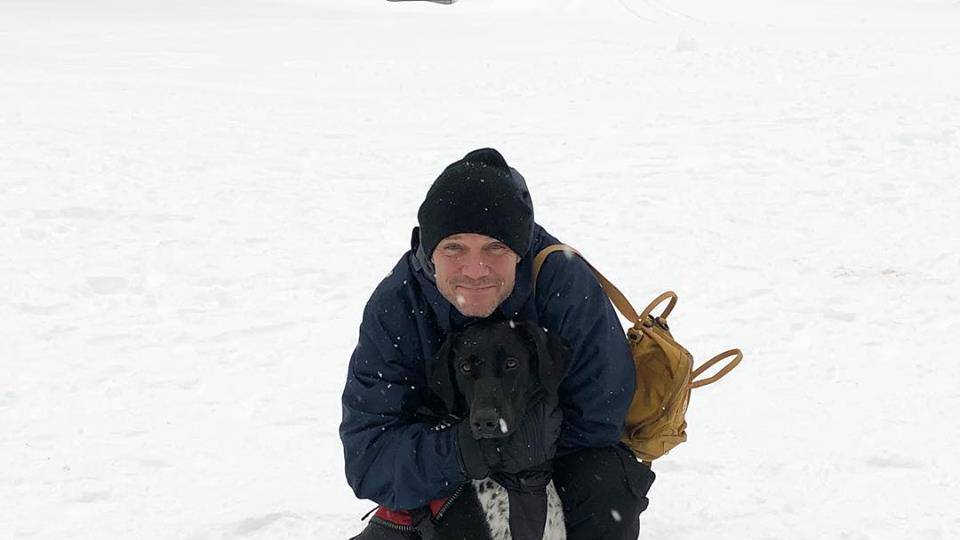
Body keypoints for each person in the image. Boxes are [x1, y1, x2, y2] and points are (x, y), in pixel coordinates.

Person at [340, 148, 655, 539]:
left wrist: (532, 439)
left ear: (519, 251)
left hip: (561, 464)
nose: (475, 270)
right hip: (446, 474)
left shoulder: (562, 282)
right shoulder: (398, 306)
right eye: (454, 248)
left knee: (606, 487)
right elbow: (369, 459)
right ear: (430, 251)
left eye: (495, 248)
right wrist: (467, 450)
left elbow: (601, 415)